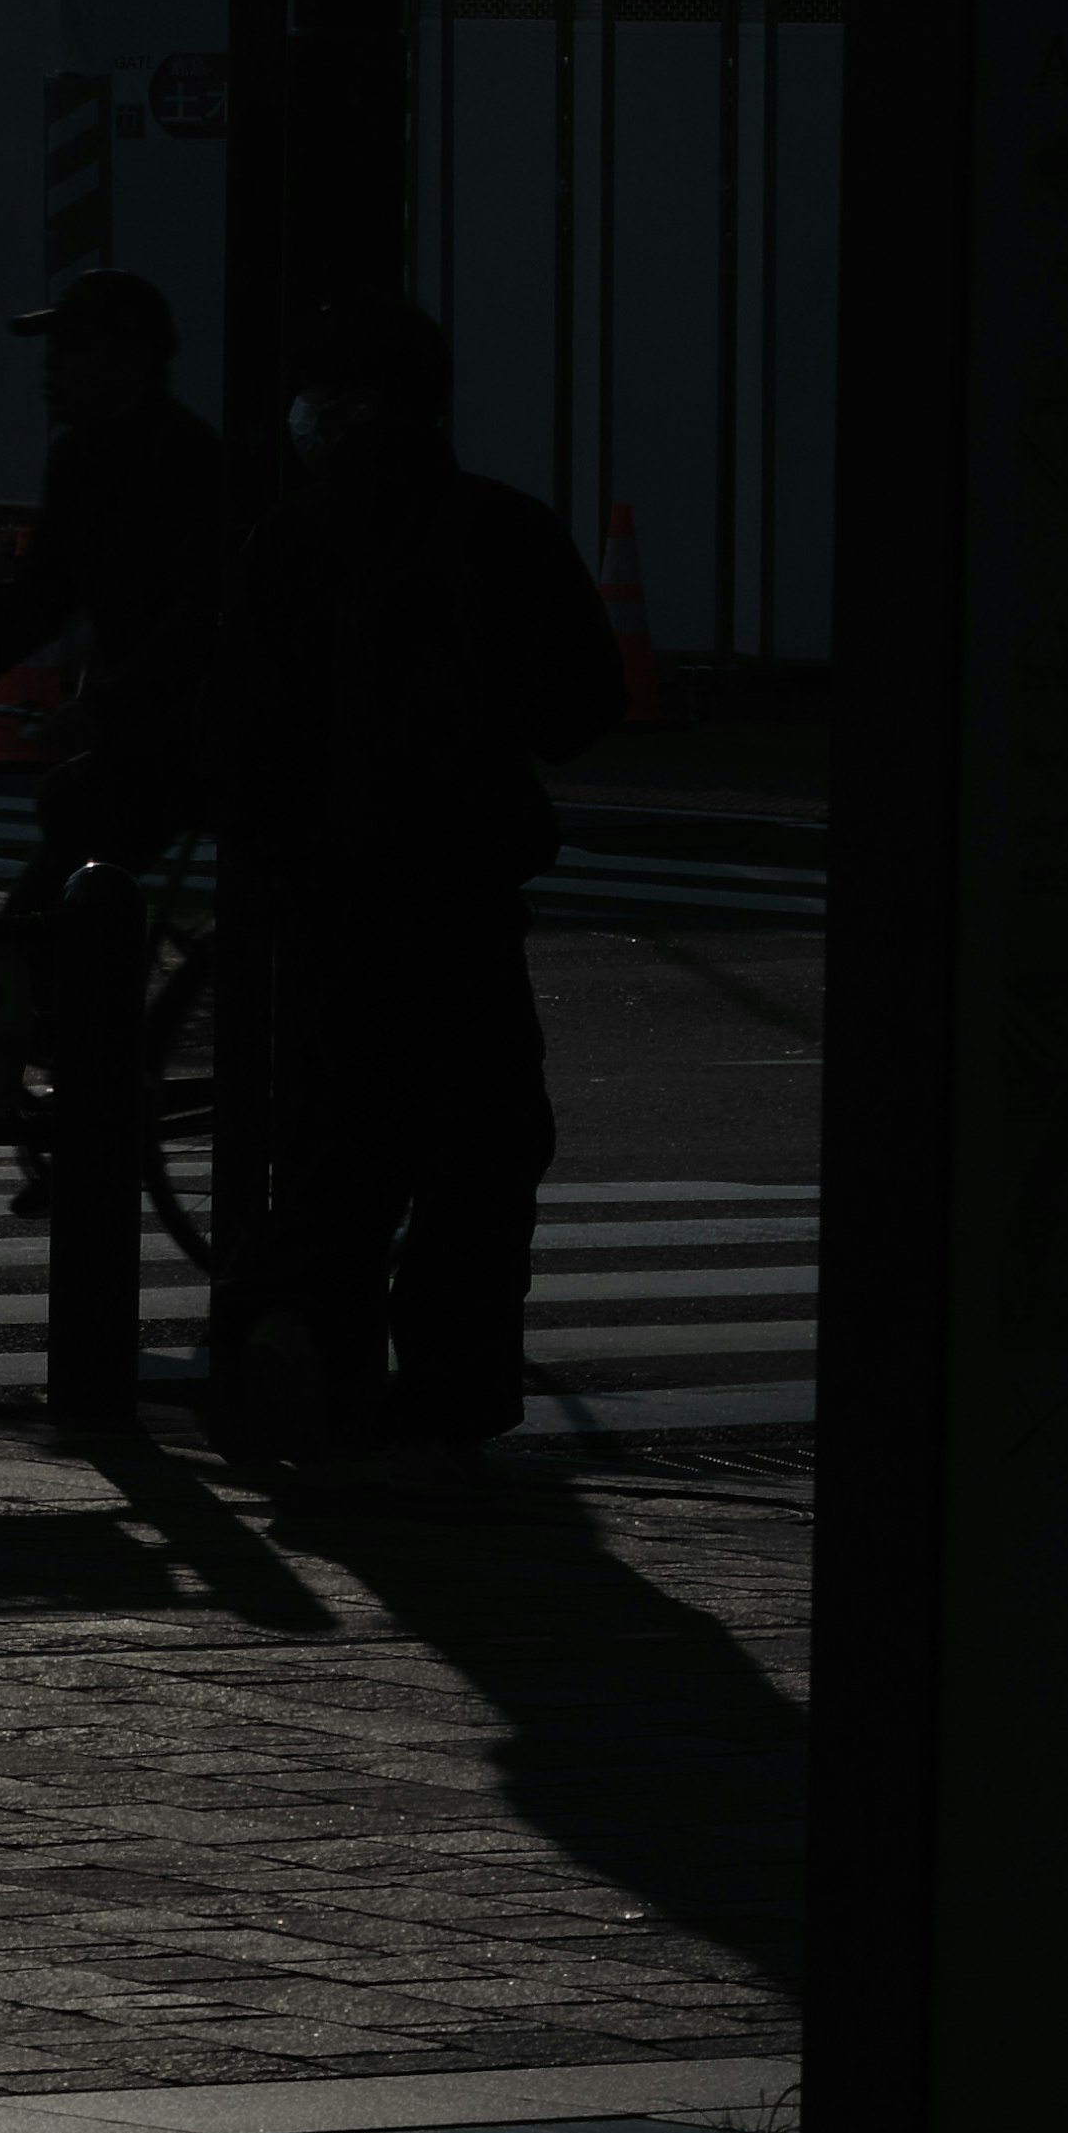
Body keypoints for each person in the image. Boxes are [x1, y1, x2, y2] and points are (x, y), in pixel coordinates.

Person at [213, 295, 627, 1470]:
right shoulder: (503, 529)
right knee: (482, 1146)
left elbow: (243, 742)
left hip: (331, 905)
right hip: (462, 898)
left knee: (338, 1147)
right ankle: (449, 1385)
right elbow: (583, 707)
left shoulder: (291, 541)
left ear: (347, 408)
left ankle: (311, 1361)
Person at [0, 267, 227, 888]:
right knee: (74, 821)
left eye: (70, 348)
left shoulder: (186, 463)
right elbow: (40, 594)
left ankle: (83, 978)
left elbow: (200, 621)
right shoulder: (80, 458)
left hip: (196, 729)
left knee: (73, 868)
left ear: (131, 358)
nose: (50, 368)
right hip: (137, 721)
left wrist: (101, 710)